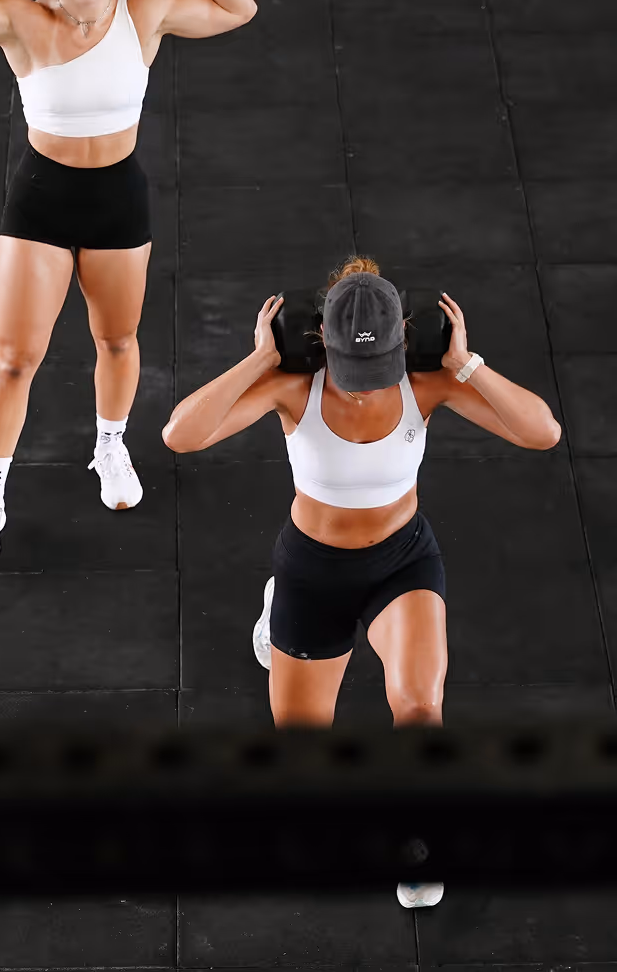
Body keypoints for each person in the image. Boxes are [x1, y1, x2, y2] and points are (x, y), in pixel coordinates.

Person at [162, 255, 561, 908]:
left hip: (401, 564)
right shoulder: (294, 390)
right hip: (312, 575)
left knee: (420, 709)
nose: (363, 388)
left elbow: (542, 432)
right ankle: (275, 612)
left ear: (407, 339)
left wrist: (468, 365)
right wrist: (259, 360)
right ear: (320, 340)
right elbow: (181, 435)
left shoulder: (426, 385)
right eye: (352, 372)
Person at [0, 0, 257, 556]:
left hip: (117, 198)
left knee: (118, 340)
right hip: (43, 197)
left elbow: (241, 8)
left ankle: (110, 448)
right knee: (13, 358)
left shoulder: (146, 14)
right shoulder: (22, 20)